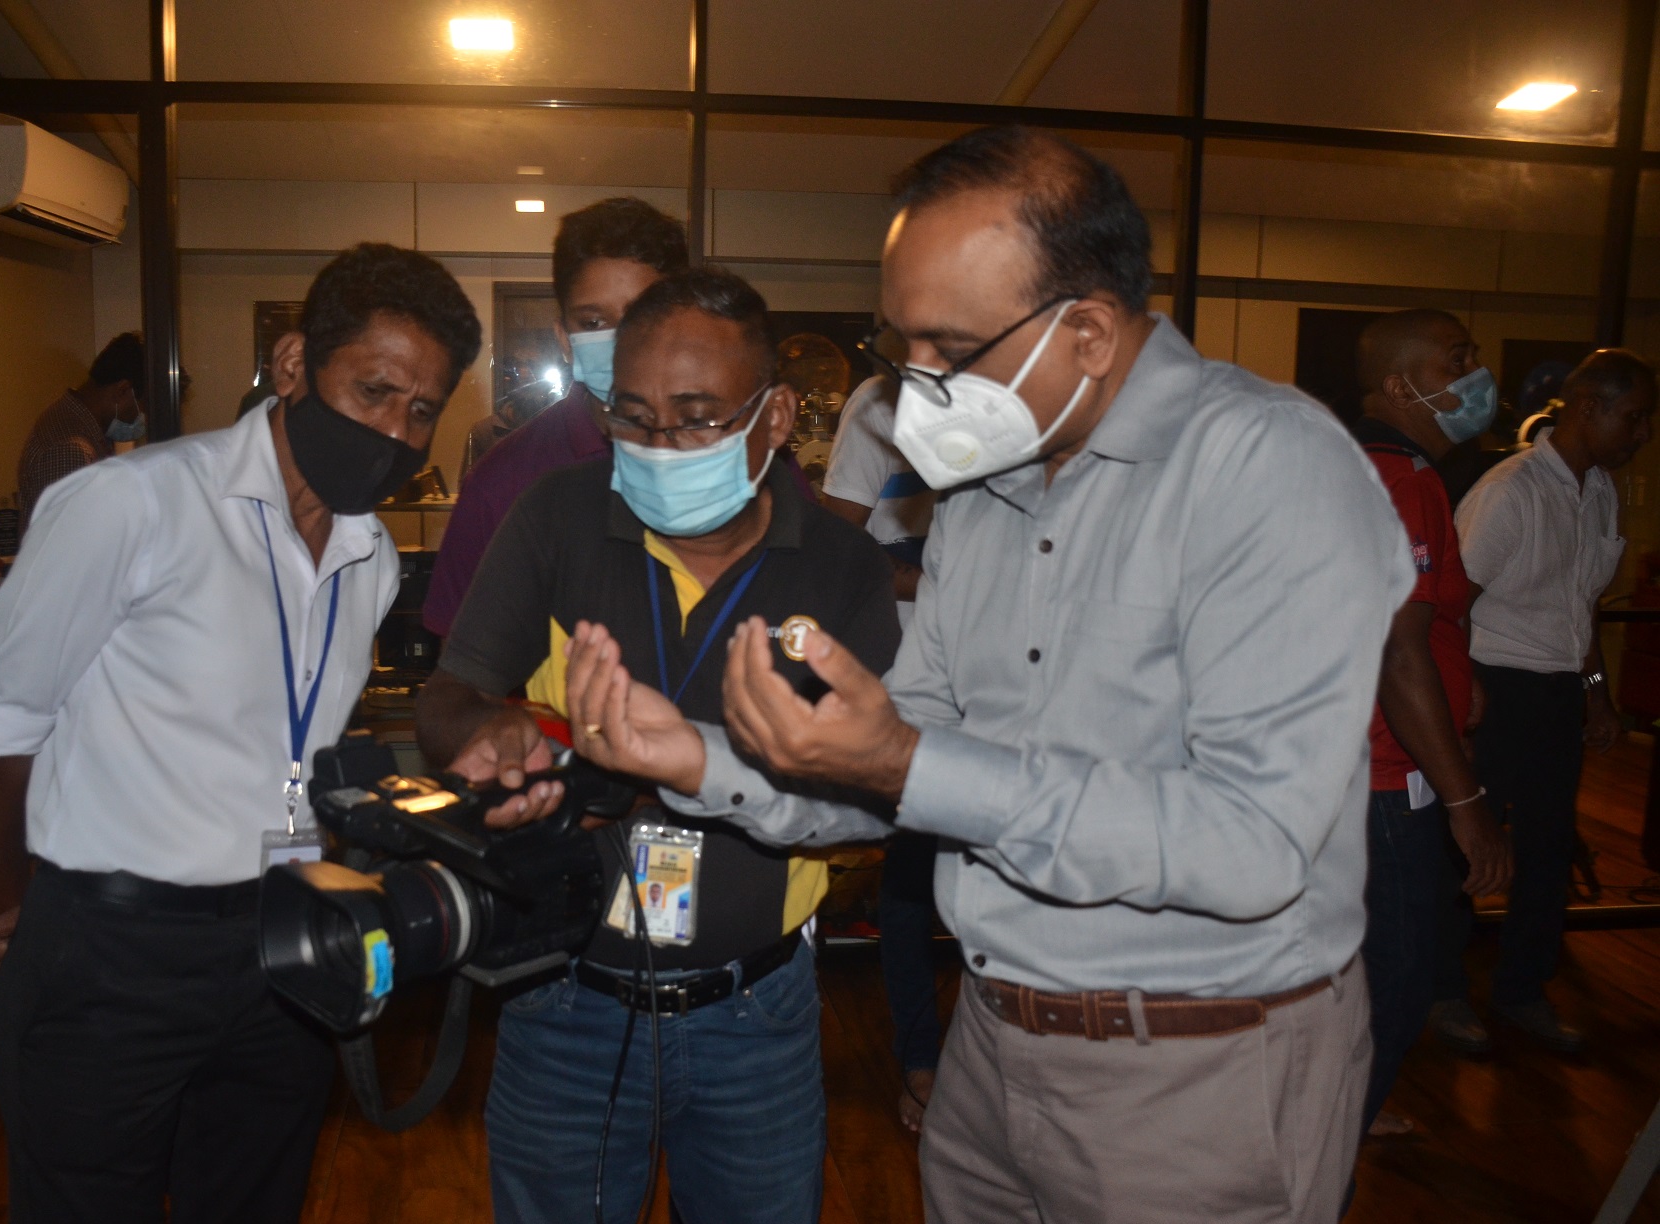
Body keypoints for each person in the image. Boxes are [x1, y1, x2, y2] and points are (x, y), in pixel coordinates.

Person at [557, 125, 1414, 1224]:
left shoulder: (1267, 468)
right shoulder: (982, 497)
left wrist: (906, 762)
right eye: (899, 344)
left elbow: (1252, 843)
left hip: (1200, 1072)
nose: (913, 390)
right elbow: (904, 753)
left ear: (1088, 333)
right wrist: (700, 758)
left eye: (949, 350)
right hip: (992, 1047)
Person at [0, 242, 482, 1223]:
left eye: (422, 410)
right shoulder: (131, 504)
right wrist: (11, 916)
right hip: (110, 954)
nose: (395, 432)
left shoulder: (367, 558)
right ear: (292, 364)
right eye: (374, 391)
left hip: (284, 947)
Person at [415, 266, 899, 1224]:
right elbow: (448, 696)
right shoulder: (556, 516)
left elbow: (875, 788)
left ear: (774, 417)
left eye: (697, 420)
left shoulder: (843, 567)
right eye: (632, 419)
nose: (659, 448)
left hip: (756, 1010)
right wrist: (490, 731)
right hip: (565, 1002)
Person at [1432, 348, 1656, 1056]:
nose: (1643, 434)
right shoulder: (1513, 492)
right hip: (1495, 688)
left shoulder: (1599, 493)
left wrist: (1596, 697)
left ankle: (1522, 990)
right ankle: (1441, 990)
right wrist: (1462, 701)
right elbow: (1450, 607)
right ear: (1588, 408)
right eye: (1635, 418)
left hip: (1556, 695)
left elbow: (1578, 609)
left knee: (1547, 852)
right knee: (1469, 849)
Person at [1347, 309, 1513, 1140]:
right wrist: (1466, 802)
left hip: (1347, 760)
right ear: (1400, 385)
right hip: (1388, 772)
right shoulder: (1405, 480)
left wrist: (1457, 673)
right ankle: (1326, 1150)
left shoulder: (1356, 465)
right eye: (1457, 359)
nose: (1477, 374)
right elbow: (1397, 651)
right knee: (1403, 971)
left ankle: (1334, 1115)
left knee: (1357, 964)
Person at [419, 196, 690, 638]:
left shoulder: (744, 462)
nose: (622, 341)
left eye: (643, 316)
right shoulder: (500, 486)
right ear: (564, 338)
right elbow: (461, 665)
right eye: (594, 322)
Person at [821, 372, 943, 1132]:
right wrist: (939, 582)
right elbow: (838, 548)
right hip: (903, 682)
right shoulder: (879, 405)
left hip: (994, 678)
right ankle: (920, 1058)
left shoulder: (1022, 405)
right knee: (910, 878)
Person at [16, 331, 147, 532]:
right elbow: (72, 541)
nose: (142, 418)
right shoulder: (70, 451)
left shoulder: (85, 430)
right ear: (122, 390)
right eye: (142, 407)